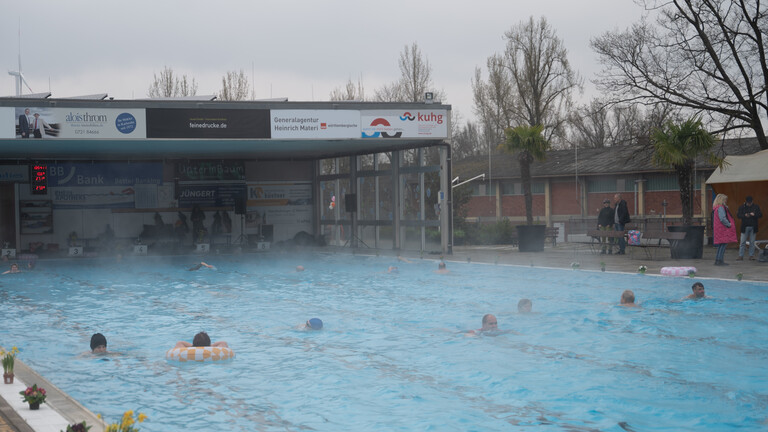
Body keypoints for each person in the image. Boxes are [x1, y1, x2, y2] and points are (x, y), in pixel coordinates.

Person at [713, 193, 737, 266]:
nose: (726, 201)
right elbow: (722, 218)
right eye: (725, 199)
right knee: (723, 244)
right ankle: (720, 260)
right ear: (722, 200)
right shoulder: (721, 208)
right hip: (723, 229)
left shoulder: (716, 208)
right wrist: (729, 224)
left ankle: (718, 260)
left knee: (721, 245)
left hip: (718, 228)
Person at [736, 195, 762, 261]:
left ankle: (751, 255)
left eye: (750, 203)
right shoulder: (742, 207)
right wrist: (744, 215)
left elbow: (760, 215)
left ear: (752, 201)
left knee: (752, 242)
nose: (749, 204)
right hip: (745, 227)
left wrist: (754, 215)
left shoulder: (756, 207)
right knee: (742, 242)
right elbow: (738, 215)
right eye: (748, 203)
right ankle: (741, 255)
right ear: (746, 201)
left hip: (753, 227)